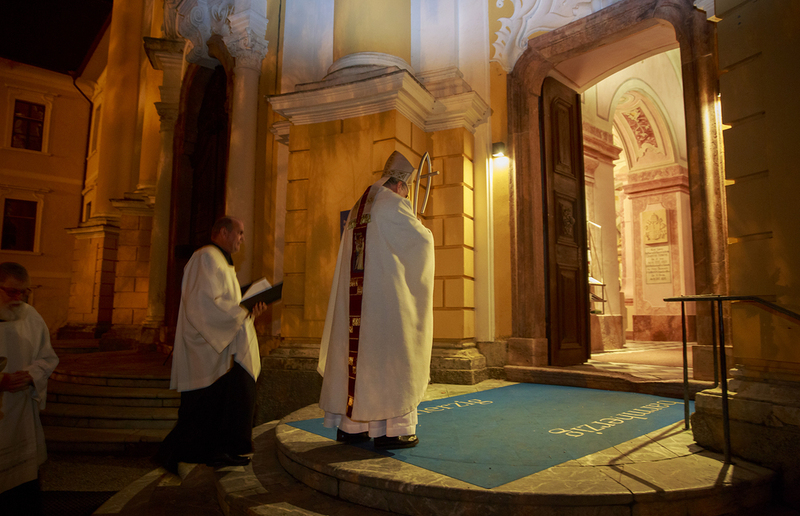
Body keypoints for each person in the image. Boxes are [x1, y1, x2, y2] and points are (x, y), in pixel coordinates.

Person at [318, 151, 435, 449]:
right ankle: (392, 430)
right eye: (407, 191)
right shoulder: (393, 205)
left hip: (357, 303)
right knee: (391, 359)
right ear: (399, 185)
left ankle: (351, 427)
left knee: (357, 359)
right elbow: (420, 243)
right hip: (384, 305)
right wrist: (424, 230)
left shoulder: (360, 206)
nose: (406, 196)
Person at [157, 216, 266, 472]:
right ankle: (198, 453)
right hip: (207, 347)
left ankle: (222, 451)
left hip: (222, 345)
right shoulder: (206, 257)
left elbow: (223, 303)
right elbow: (203, 305)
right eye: (239, 233)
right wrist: (242, 311)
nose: (242, 238)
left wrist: (248, 309)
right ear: (223, 232)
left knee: (224, 403)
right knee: (209, 407)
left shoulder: (220, 261)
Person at [0, 262, 59, 515]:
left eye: (23, 292)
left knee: (22, 488)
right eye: (12, 291)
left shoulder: (30, 315)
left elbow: (48, 358)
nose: (19, 298)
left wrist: (31, 375)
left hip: (21, 412)